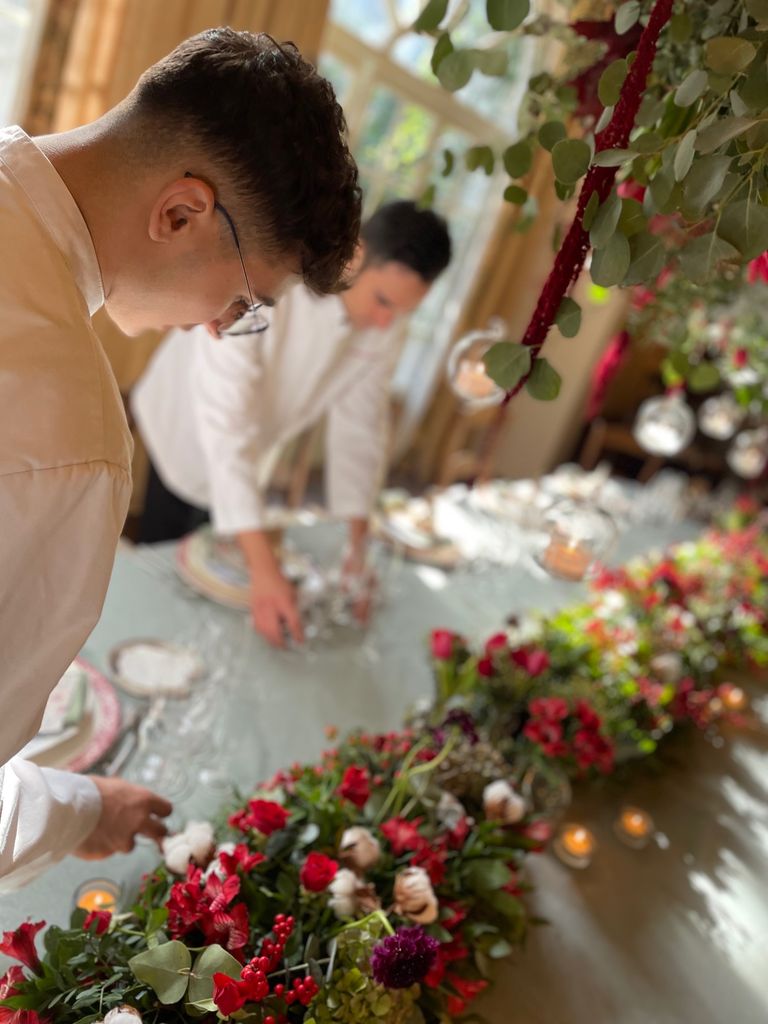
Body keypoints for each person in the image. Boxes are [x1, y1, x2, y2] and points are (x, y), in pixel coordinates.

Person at [0, 27, 361, 889]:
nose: (216, 326)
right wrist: (78, 810)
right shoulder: (70, 439)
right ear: (182, 211)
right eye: (243, 299)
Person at [132, 200, 451, 646]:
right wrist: (265, 571)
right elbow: (227, 428)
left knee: (224, 563)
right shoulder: (269, 282)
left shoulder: (386, 321)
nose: (386, 322)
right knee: (165, 564)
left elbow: (360, 430)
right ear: (356, 254)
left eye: (400, 312)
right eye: (382, 301)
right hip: (186, 423)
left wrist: (357, 551)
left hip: (254, 437)